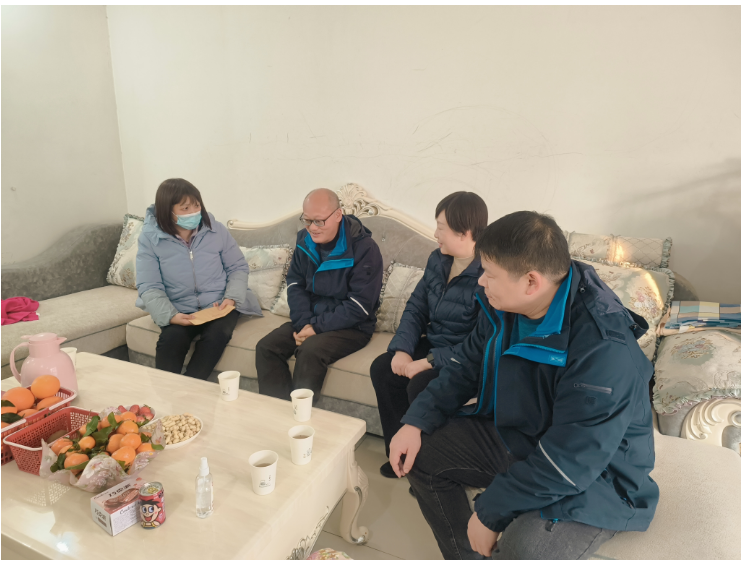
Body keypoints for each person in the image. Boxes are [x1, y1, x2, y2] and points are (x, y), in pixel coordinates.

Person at [389, 211, 659, 560]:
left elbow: (572, 459)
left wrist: (489, 511)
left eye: (489, 274)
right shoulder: (504, 307)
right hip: (527, 439)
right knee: (421, 455)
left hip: (597, 476)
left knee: (524, 547)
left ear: (531, 282)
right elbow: (464, 367)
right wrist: (415, 422)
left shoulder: (602, 347)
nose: (481, 281)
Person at [370, 192, 487, 479]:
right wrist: (403, 350)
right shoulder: (438, 260)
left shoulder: (488, 273)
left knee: (420, 385)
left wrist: (429, 362)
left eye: (441, 228)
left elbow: (482, 342)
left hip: (465, 360)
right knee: (383, 369)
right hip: (436, 344)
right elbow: (416, 307)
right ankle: (398, 454)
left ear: (465, 232)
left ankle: (427, 465)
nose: (435, 234)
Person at [256, 188, 384, 399]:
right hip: (311, 319)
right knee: (266, 347)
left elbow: (360, 305)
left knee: (310, 351)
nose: (312, 228)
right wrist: (304, 324)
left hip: (352, 327)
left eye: (319, 221)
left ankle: (301, 415)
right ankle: (278, 412)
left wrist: (316, 328)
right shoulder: (304, 241)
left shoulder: (365, 249)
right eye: (307, 221)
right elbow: (295, 284)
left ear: (338, 215)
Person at [136, 178, 262, 380]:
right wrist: (170, 315)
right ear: (167, 210)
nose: (194, 212)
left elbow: (237, 267)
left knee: (217, 335)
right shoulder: (150, 238)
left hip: (219, 304)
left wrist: (231, 298)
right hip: (179, 307)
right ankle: (167, 392)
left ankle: (192, 388)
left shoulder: (216, 230)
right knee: (171, 340)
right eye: (185, 208)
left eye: (196, 205)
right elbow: (149, 285)